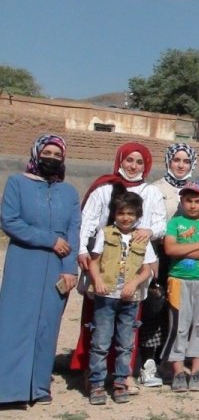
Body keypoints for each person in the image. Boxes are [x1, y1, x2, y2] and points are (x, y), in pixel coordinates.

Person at [69, 142, 167, 382]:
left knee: (128, 320)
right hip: (104, 259)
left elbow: (160, 224)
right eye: (129, 160)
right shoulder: (104, 188)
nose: (133, 166)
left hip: (134, 264)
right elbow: (88, 220)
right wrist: (82, 250)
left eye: (139, 162)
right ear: (120, 160)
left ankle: (124, 374)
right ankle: (91, 371)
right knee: (98, 317)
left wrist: (148, 232)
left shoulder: (151, 192)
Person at [0, 135, 80, 406]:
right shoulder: (17, 183)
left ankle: (39, 386)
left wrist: (70, 269)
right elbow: (10, 221)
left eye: (58, 155)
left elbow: (73, 230)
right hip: (24, 260)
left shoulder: (68, 192)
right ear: (36, 154)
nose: (52, 158)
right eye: (47, 152)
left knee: (48, 324)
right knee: (16, 322)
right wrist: (49, 240)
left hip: (59, 265)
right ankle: (11, 388)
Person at [86, 191, 158, 405]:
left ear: (138, 215)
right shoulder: (105, 234)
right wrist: (97, 280)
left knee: (125, 343)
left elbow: (147, 270)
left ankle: (120, 381)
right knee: (100, 341)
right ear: (114, 214)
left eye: (130, 213)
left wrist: (134, 283)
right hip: (106, 296)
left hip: (130, 298)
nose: (125, 217)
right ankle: (97, 383)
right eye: (121, 213)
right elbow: (93, 261)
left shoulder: (142, 238)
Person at [141, 142, 199, 387]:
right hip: (157, 255)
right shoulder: (155, 189)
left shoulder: (196, 191)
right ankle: (148, 362)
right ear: (168, 161)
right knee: (154, 307)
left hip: (184, 259)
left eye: (186, 161)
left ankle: (172, 360)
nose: (181, 165)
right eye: (176, 160)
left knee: (178, 310)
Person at [162, 181, 199, 393]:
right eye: (188, 200)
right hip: (178, 279)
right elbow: (169, 248)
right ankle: (178, 370)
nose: (193, 205)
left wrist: (183, 249)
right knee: (178, 325)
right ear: (182, 201)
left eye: (197, 201)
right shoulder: (175, 222)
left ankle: (196, 371)